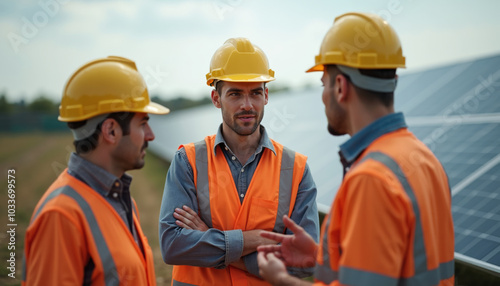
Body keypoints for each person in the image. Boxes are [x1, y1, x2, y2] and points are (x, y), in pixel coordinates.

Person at [257, 12, 455, 286]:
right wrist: (319, 255)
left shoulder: (371, 179)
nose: (323, 96)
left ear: (340, 87)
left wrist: (282, 280)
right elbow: (400, 262)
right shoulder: (424, 158)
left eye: (323, 83)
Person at [159, 37, 320, 285]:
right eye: (235, 94)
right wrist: (251, 240)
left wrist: (210, 240)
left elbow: (303, 263)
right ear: (216, 98)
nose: (247, 105)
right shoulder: (188, 162)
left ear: (266, 96)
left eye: (255, 93)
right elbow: (174, 246)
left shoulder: (295, 169)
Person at [22, 56, 170, 285]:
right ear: (111, 131)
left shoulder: (121, 200)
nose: (151, 135)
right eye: (142, 123)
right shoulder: (61, 217)